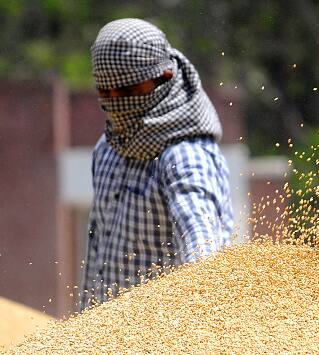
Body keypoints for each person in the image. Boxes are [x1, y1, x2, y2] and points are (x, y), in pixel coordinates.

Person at [79, 18, 234, 310]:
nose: (114, 103)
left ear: (163, 76)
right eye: (104, 93)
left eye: (126, 92)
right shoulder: (109, 147)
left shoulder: (185, 156)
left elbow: (201, 245)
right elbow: (98, 249)